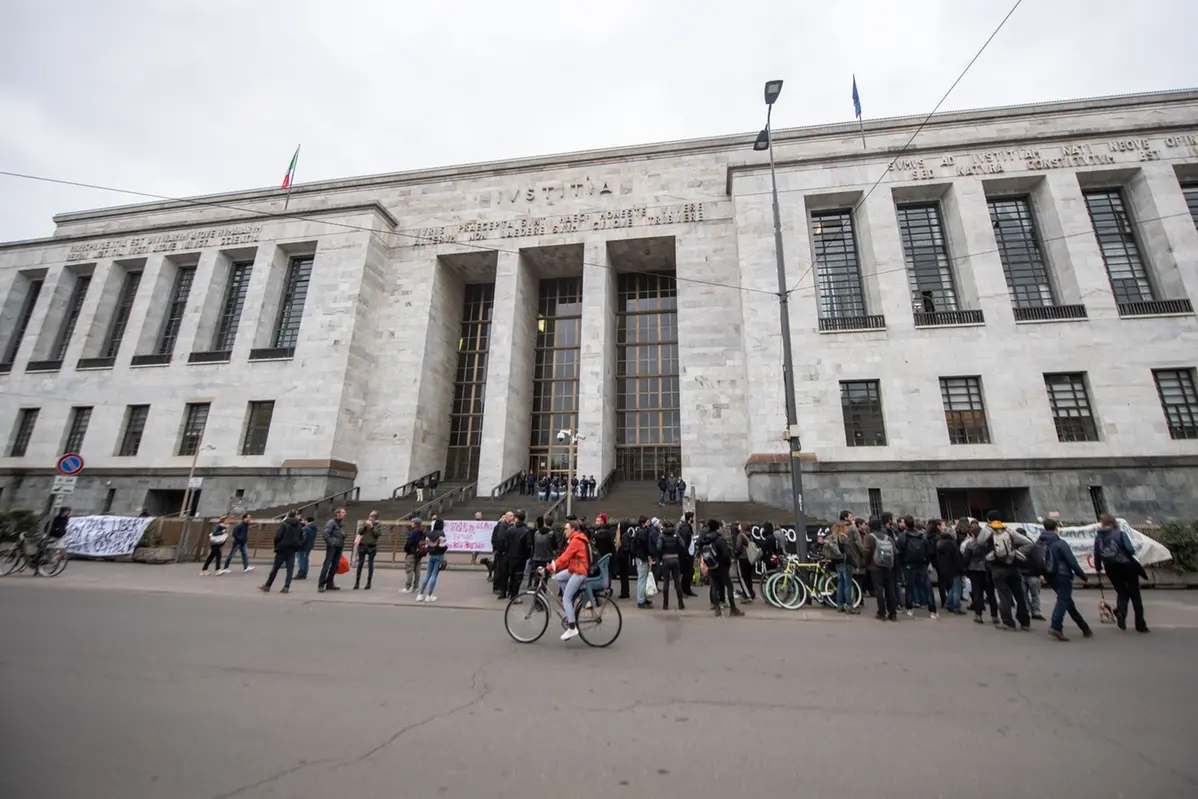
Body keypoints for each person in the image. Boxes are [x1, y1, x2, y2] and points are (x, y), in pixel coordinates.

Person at [1094, 514, 1149, 633]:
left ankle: (1121, 613)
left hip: (1110, 568)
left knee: (1122, 592)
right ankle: (1140, 625)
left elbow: (1097, 554)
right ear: (1114, 523)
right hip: (1127, 566)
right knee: (1135, 594)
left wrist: (1098, 568)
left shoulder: (1098, 537)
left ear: (1103, 524)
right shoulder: (1120, 534)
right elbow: (1130, 549)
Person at [1039, 519, 1092, 641]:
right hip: (1063, 575)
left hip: (1049, 576)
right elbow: (1072, 562)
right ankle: (1056, 626)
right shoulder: (1060, 543)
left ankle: (1084, 627)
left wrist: (1041, 574)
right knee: (1063, 599)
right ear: (1056, 528)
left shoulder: (1040, 543)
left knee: (1066, 600)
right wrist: (1083, 577)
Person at [980, 511, 1034, 631]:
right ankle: (1025, 622)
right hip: (1013, 567)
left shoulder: (987, 530)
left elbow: (979, 542)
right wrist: (1016, 554)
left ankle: (1008, 622)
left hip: (997, 568)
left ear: (989, 519)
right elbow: (1028, 543)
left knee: (1003, 595)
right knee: (1020, 596)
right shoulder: (1009, 530)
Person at [546, 520, 590, 641]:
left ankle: (572, 627)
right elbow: (566, 560)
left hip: (579, 572)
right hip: (575, 568)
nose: (564, 531)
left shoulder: (576, 541)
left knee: (566, 598)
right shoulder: (576, 539)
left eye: (566, 528)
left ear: (573, 530)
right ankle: (572, 600)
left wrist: (548, 568)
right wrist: (554, 569)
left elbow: (564, 557)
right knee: (559, 577)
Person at [699, 519, 742, 617]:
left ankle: (717, 608)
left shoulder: (706, 539)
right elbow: (726, 555)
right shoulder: (720, 539)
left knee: (714, 587)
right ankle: (733, 609)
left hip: (711, 567)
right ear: (717, 528)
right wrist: (727, 565)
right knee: (729, 586)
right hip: (722, 567)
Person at [961, 519, 998, 626]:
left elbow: (966, 559)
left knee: (977, 593)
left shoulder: (971, 544)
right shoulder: (989, 544)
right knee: (991, 594)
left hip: (975, 570)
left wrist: (965, 569)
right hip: (988, 569)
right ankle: (994, 616)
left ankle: (978, 615)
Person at [898, 519, 937, 619]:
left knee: (909, 587)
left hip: (908, 564)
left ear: (905, 525)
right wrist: (926, 562)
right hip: (922, 564)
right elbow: (928, 551)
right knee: (927, 587)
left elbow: (899, 551)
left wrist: (902, 564)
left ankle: (909, 608)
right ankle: (932, 610)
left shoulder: (903, 536)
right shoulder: (922, 536)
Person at [862, 517, 898, 621]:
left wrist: (867, 564)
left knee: (879, 591)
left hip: (875, 567)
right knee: (890, 590)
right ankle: (893, 613)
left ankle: (882, 612)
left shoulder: (869, 537)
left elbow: (866, 552)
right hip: (888, 567)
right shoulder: (887, 537)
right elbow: (894, 551)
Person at [260, 511, 304, 593]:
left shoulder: (284, 524)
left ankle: (268, 585)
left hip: (282, 549)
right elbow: (301, 538)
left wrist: (277, 546)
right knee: (290, 570)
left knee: (275, 568)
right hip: (292, 549)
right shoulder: (299, 526)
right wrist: (297, 545)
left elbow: (277, 536)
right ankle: (286, 587)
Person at [933, 519, 964, 614]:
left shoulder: (939, 543)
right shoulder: (953, 544)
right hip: (954, 568)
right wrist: (962, 569)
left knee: (952, 588)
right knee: (957, 588)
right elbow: (957, 558)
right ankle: (956, 607)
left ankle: (949, 603)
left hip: (944, 569)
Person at [825, 520, 853, 613]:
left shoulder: (832, 538)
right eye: (845, 527)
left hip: (837, 562)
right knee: (847, 585)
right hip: (845, 562)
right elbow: (849, 554)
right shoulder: (844, 538)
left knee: (840, 583)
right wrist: (855, 564)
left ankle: (839, 605)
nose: (847, 529)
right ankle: (848, 605)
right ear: (842, 528)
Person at [501, 510, 531, 600]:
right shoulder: (526, 531)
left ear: (516, 518)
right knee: (517, 577)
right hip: (521, 557)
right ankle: (514, 595)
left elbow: (505, 542)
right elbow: (528, 546)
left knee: (509, 575)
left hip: (509, 556)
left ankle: (508, 592)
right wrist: (527, 556)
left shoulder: (510, 529)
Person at [416, 522, 448, 602]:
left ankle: (420, 595)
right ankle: (429, 595)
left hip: (431, 555)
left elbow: (426, 545)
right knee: (434, 575)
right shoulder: (441, 533)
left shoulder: (429, 534)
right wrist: (446, 546)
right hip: (439, 555)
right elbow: (442, 545)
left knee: (427, 575)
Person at [317, 507, 347, 593]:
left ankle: (329, 583)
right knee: (327, 565)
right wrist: (332, 543)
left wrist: (344, 535)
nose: (345, 514)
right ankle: (321, 584)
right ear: (338, 514)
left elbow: (343, 534)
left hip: (339, 547)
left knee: (335, 566)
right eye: (343, 512)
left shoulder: (342, 524)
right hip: (332, 547)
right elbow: (326, 534)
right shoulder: (331, 522)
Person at [657, 521, 685, 611]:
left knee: (666, 581)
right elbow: (683, 545)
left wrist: (661, 555)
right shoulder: (676, 534)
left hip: (666, 559)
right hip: (675, 559)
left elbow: (658, 548)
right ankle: (680, 603)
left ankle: (665, 604)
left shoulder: (661, 535)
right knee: (677, 581)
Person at [355, 511, 383, 590]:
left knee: (370, 564)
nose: (371, 518)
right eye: (370, 516)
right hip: (362, 545)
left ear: (376, 518)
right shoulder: (364, 523)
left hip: (372, 546)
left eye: (373, 517)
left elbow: (377, 534)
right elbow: (359, 532)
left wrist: (372, 527)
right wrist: (365, 526)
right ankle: (357, 582)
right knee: (360, 563)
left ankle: (368, 583)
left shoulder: (378, 525)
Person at [632, 516, 654, 609]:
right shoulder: (643, 533)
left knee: (643, 578)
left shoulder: (639, 532)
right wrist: (649, 556)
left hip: (640, 557)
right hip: (642, 558)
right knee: (642, 579)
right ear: (643, 523)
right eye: (647, 522)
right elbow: (645, 546)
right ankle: (641, 600)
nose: (649, 523)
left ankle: (643, 598)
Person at [732, 523, 756, 602]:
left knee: (742, 578)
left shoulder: (740, 535)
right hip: (750, 558)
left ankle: (746, 595)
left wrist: (735, 555)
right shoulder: (750, 536)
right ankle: (750, 592)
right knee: (748, 577)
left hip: (742, 558)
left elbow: (738, 547)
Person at [402, 518, 427, 593]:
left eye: (412, 522)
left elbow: (409, 543)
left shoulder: (412, 532)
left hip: (411, 553)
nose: (411, 523)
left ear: (415, 524)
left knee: (409, 570)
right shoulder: (422, 532)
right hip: (419, 553)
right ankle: (416, 587)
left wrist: (406, 549)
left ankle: (408, 587)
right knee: (417, 570)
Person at [491, 512, 512, 596]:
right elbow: (496, 538)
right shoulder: (499, 527)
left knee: (503, 570)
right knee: (499, 569)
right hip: (500, 551)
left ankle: (502, 586)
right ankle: (496, 586)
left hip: (504, 552)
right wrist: (496, 549)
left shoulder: (508, 526)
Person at [677, 511, 697, 597]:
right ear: (690, 518)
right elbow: (684, 542)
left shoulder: (687, 527)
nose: (693, 519)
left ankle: (687, 589)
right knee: (686, 572)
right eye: (693, 517)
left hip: (689, 553)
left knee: (690, 572)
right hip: (686, 554)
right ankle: (684, 590)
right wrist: (686, 554)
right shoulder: (685, 528)